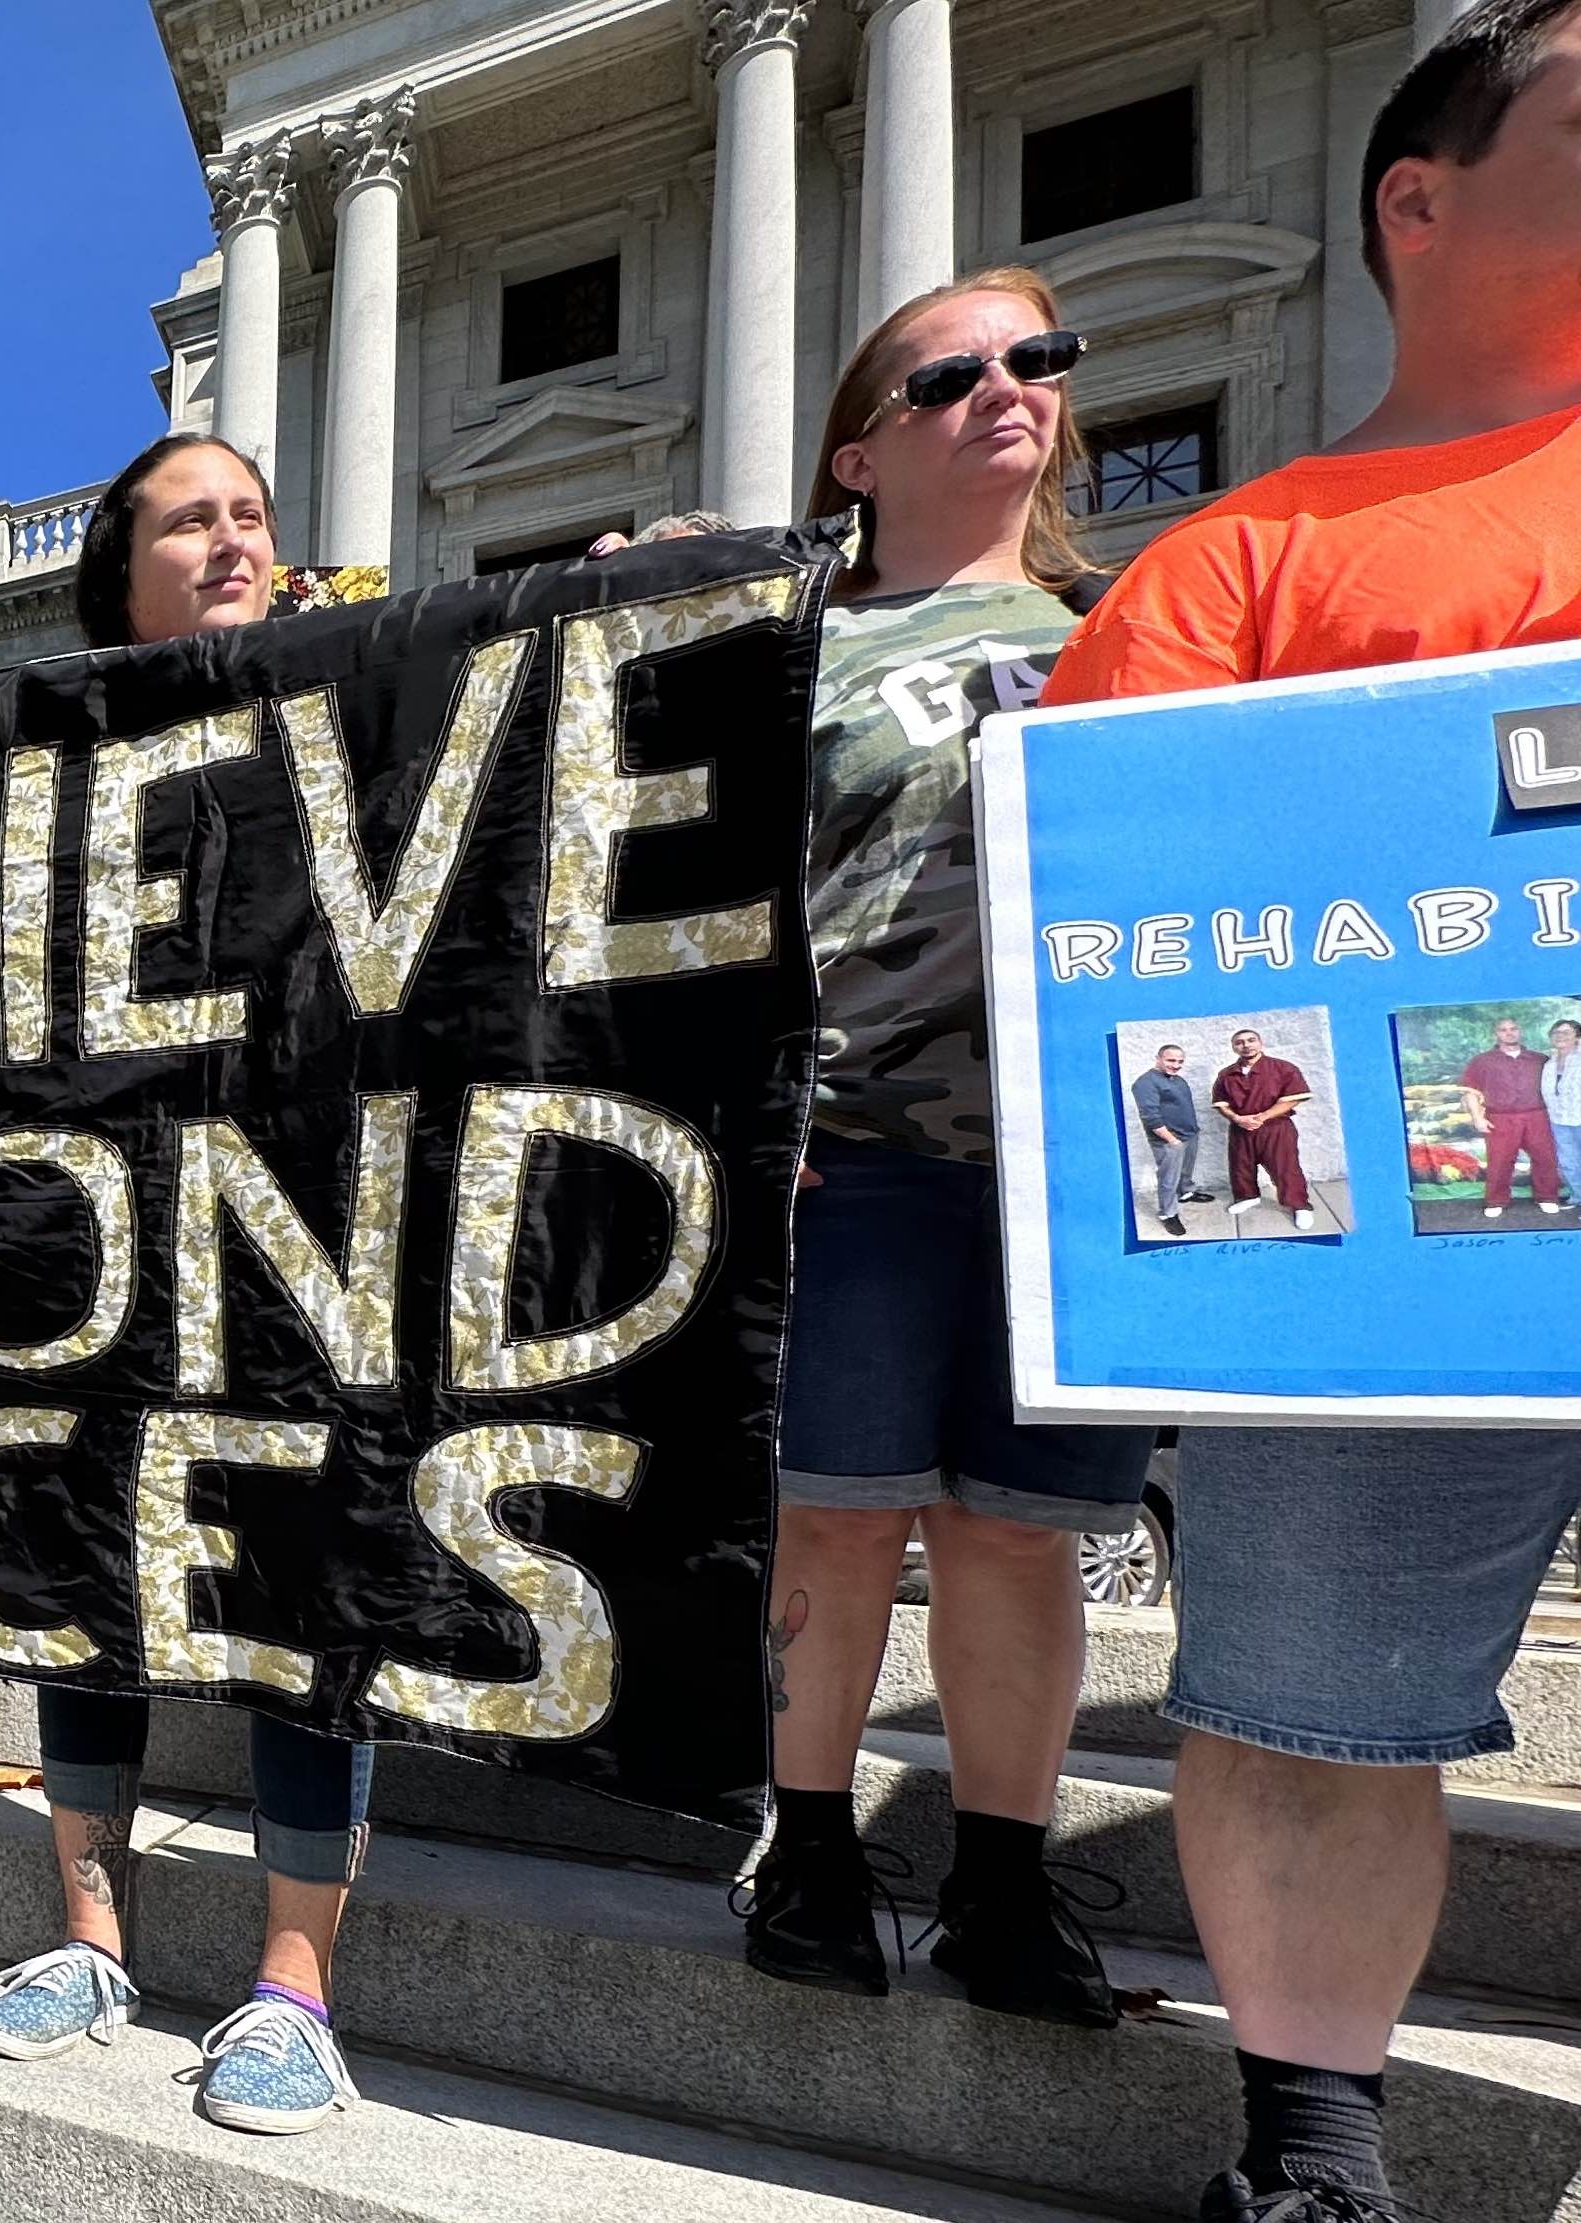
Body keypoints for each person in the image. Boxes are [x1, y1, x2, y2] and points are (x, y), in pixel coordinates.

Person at [1041, 7, 1581, 2210]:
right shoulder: (1217, 571)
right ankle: (1309, 2151)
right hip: (1397, 1193)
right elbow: (1089, 922)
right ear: (1420, 199)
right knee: (1303, 1693)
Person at [0, 433, 371, 2137]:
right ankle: (90, 1931)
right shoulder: (49, 740)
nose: (235, 537)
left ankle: (294, 1984)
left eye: (252, 508)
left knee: (302, 1593)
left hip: (292, 1215)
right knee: (85, 1561)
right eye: (193, 519)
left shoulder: (360, 693)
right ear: (123, 566)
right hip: (89, 1226)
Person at [739, 266, 1151, 2032]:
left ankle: (999, 1868)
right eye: (951, 372)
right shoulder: (785, 654)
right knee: (829, 1529)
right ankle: (810, 1840)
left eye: (1036, 358)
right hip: (848, 1151)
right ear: (855, 452)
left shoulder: (1136, 629)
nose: (1009, 387)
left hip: (1068, 1169)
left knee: (1015, 1537)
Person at [1212, 1030, 1319, 1232]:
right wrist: (1237, 1118)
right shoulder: (1226, 1074)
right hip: (1241, 1128)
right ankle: (1248, 1196)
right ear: (1233, 1047)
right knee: (1240, 1166)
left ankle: (1300, 1205)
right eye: (1239, 1042)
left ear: (1260, 1042)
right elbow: (1221, 1104)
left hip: (1275, 1127)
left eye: (1251, 1040)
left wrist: (1261, 1117)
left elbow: (1293, 1098)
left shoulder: (1283, 1068)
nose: (1246, 1045)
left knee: (1285, 1167)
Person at [1460, 1015, 1565, 1215]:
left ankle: (1547, 1196)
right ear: (1496, 1033)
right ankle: (1496, 1201)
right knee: (1499, 1160)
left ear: (1520, 1031)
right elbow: (1470, 1092)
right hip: (1500, 1117)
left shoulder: (1540, 1059)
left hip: (1537, 1115)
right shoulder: (1482, 1061)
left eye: (1513, 1028)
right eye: (1503, 1029)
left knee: (1545, 1158)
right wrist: (1477, 1118)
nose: (1509, 1033)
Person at [1132, 1043, 1210, 1234]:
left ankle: (1186, 1192)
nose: (1176, 1065)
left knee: (1186, 1170)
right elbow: (1150, 1116)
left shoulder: (1177, 1079)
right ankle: (1167, 1213)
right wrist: (1172, 1140)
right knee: (1168, 1178)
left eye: (1180, 1061)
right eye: (1170, 1060)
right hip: (1169, 1140)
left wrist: (1192, 1131)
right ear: (1158, 1058)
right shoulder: (1145, 1083)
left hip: (1189, 1134)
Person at [1544, 1016, 1581, 1193]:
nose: (1560, 1035)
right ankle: (1577, 1197)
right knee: (1568, 1162)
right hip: (1558, 1120)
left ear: (1577, 1036)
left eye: (1566, 1032)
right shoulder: (1549, 1063)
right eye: (1556, 1032)